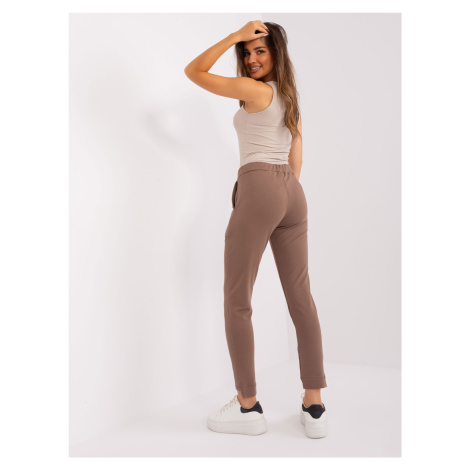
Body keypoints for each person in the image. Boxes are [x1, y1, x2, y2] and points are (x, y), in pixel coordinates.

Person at [184, 21, 328, 439]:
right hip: (292, 194)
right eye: (246, 52)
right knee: (301, 298)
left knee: (237, 299)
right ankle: (314, 405)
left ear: (276, 53)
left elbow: (194, 71)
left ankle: (248, 405)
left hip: (261, 185)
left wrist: (233, 35)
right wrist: (284, 192)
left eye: (259, 51)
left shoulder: (255, 91)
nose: (250, 59)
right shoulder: (288, 96)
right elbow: (297, 155)